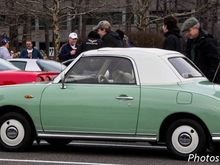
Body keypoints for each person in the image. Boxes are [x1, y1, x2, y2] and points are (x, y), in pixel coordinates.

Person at [181, 17, 220, 83]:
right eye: (186, 32)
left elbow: (215, 62)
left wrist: (209, 78)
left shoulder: (208, 41)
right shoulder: (190, 42)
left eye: (189, 31)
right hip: (195, 78)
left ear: (196, 28)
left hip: (208, 79)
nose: (187, 34)